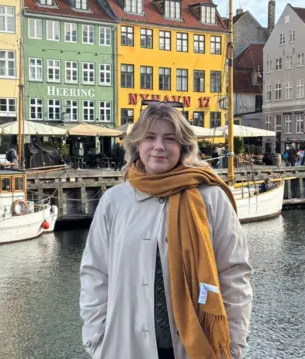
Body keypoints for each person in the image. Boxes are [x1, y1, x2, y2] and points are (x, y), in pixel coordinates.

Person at [79, 103, 253, 359]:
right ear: (137, 143)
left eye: (169, 139)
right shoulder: (115, 201)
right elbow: (95, 273)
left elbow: (234, 275)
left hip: (197, 345)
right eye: (150, 137)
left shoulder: (210, 198)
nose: (158, 146)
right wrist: (96, 338)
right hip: (125, 345)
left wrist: (233, 345)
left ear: (183, 146)